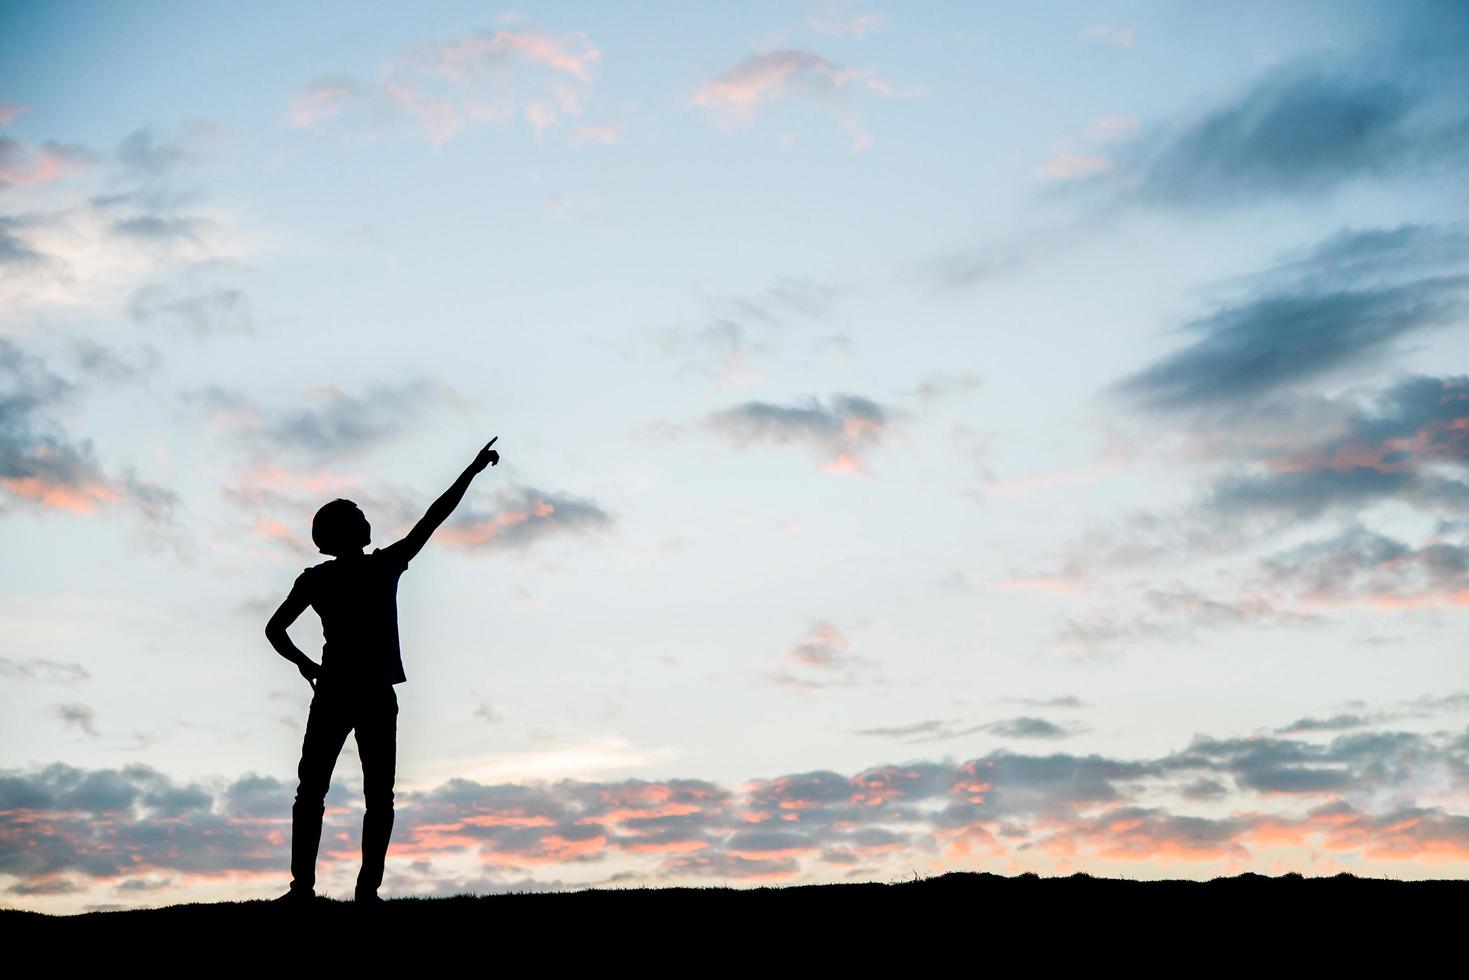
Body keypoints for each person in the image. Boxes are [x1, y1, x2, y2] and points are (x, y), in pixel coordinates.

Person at [264, 438, 500, 904]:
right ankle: (358, 892)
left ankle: (310, 889)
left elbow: (275, 631)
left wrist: (306, 665)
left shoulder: (322, 578)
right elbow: (434, 516)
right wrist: (471, 472)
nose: (368, 520)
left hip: (338, 690)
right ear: (349, 531)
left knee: (315, 792)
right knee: (368, 797)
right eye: (360, 516)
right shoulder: (380, 566)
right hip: (365, 693)